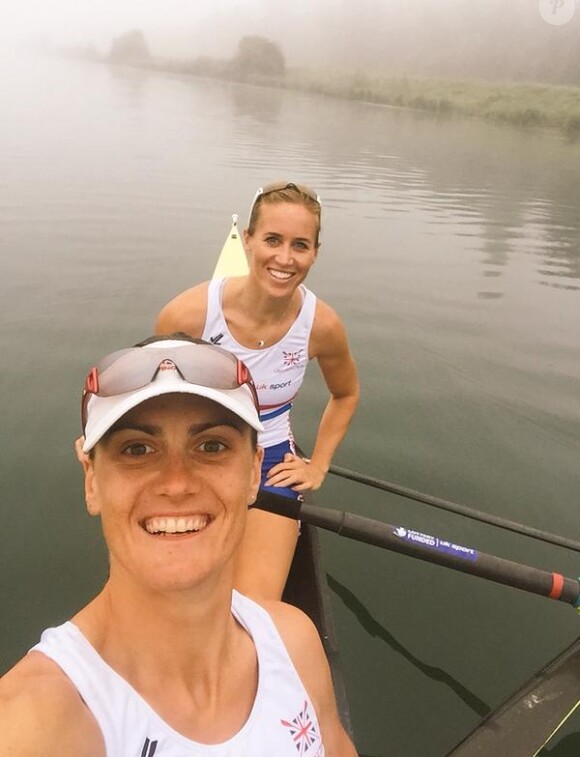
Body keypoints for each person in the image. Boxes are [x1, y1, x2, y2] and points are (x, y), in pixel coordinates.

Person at [0, 335, 357, 756]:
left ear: (253, 472)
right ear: (91, 479)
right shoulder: (37, 721)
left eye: (211, 446)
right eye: (137, 449)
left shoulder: (293, 639)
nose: (176, 483)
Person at [155, 181, 360, 600]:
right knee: (178, 591)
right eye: (272, 240)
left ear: (315, 253)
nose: (284, 259)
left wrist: (317, 465)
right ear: (248, 241)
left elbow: (346, 395)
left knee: (253, 608)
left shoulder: (323, 326)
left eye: (300, 245)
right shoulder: (188, 315)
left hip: (270, 463)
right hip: (197, 458)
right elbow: (153, 405)